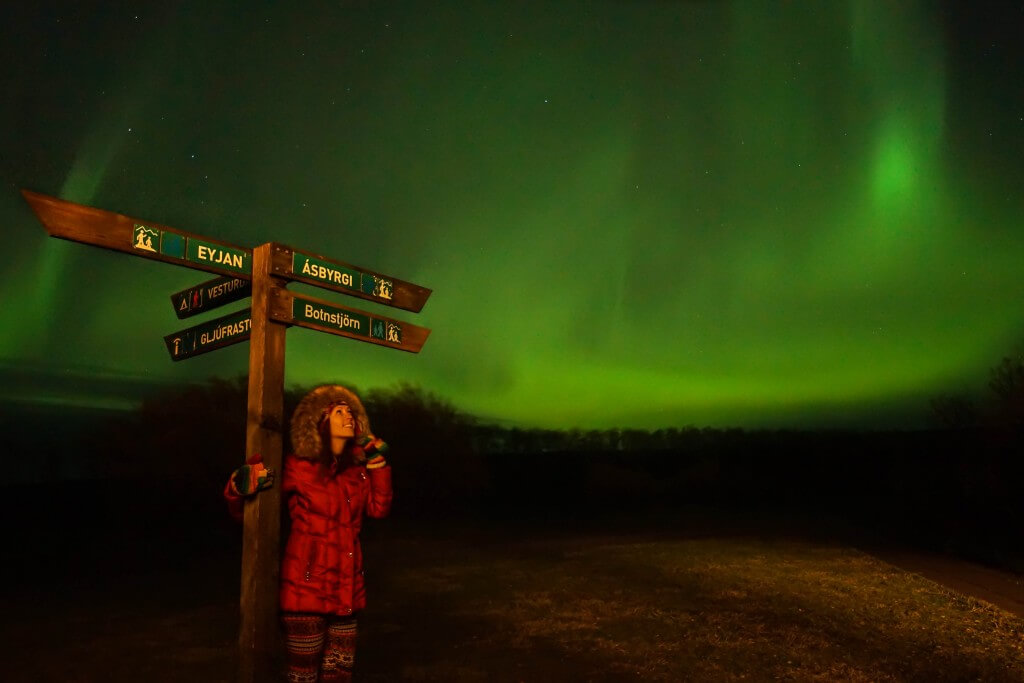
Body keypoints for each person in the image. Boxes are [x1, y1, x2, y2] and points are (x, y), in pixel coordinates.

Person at [225, 384, 392, 683]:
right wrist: (240, 485)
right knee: (303, 677)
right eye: (339, 411)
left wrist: (378, 464)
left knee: (339, 675)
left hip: (346, 592)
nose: (348, 416)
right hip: (305, 592)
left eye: (351, 411)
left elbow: (379, 509)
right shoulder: (298, 467)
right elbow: (249, 503)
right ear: (320, 422)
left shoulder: (357, 472)